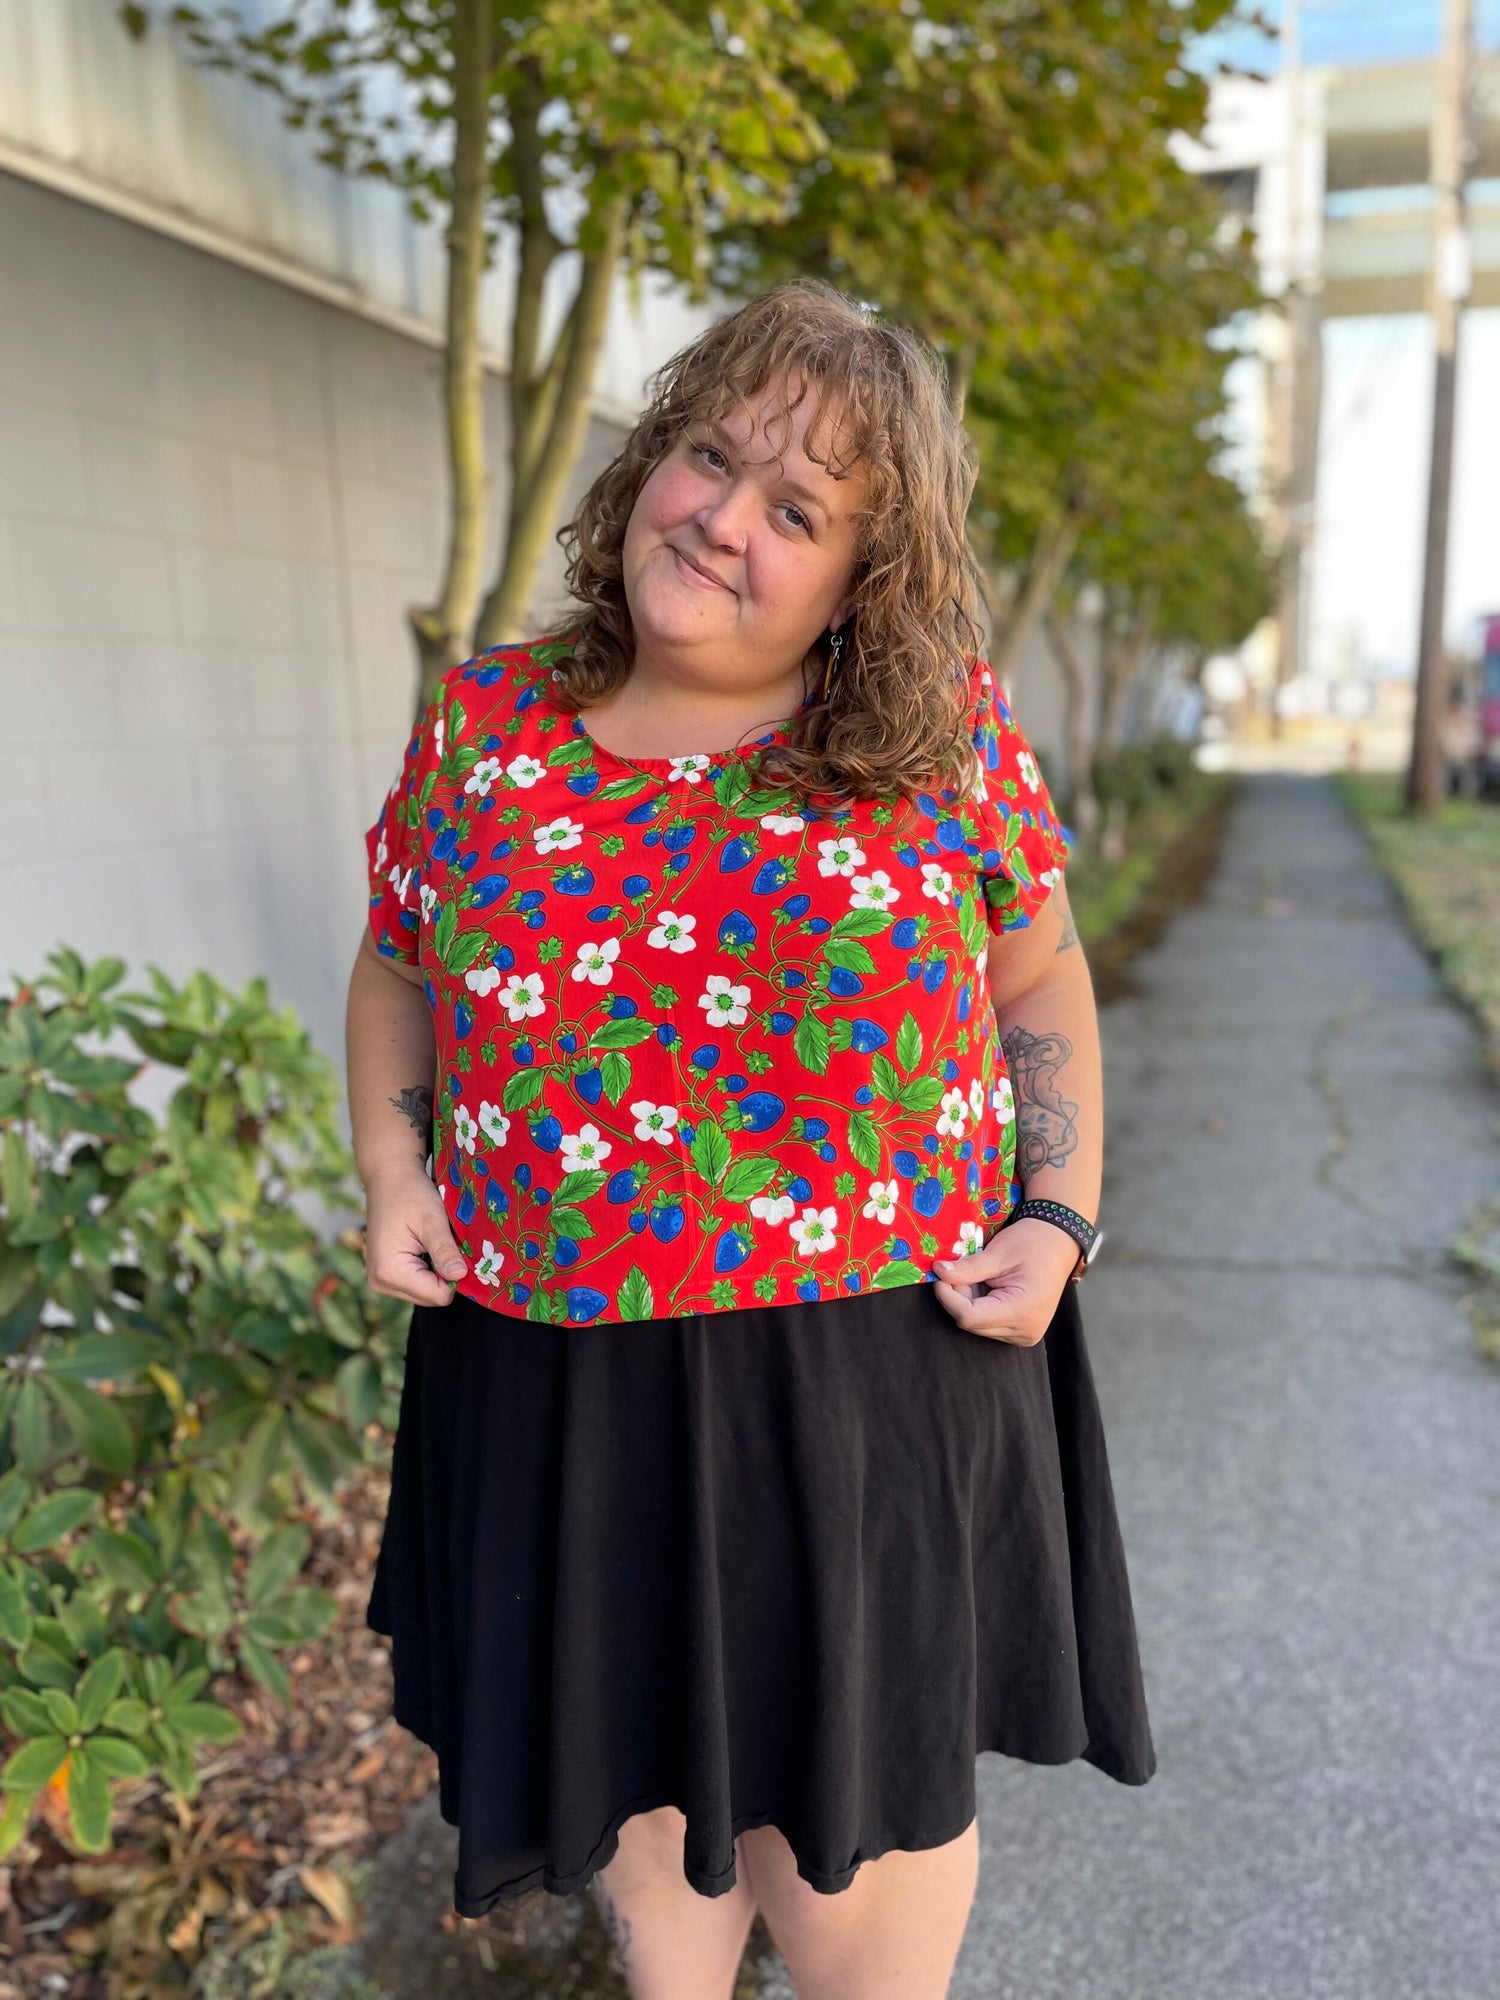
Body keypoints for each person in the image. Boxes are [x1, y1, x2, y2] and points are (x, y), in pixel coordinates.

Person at [347, 280, 1154, 2000]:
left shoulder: (935, 741)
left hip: (861, 1395)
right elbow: (399, 962)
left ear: (869, 578)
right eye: (708, 458)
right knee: (657, 1896)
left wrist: (1062, 1205)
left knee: (845, 1894)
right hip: (563, 1396)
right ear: (649, 458)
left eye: (797, 511)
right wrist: (397, 1168)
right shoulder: (485, 731)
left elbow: (1043, 973)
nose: (719, 519)